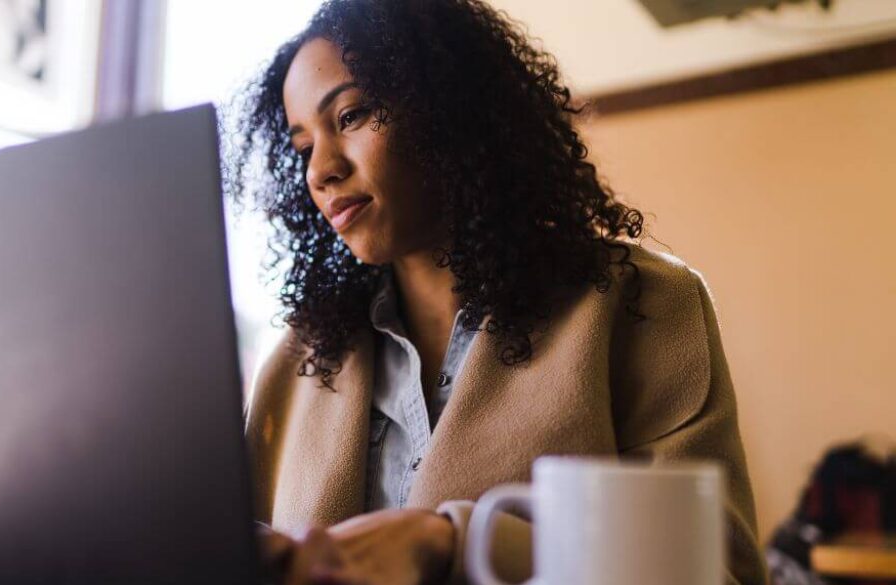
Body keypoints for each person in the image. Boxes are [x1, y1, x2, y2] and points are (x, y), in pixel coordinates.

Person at [229, 1, 767, 583]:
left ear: (450, 108)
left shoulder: (641, 304)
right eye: (304, 146)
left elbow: (715, 570)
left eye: (353, 114)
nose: (321, 170)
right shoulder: (297, 361)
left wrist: (461, 543)